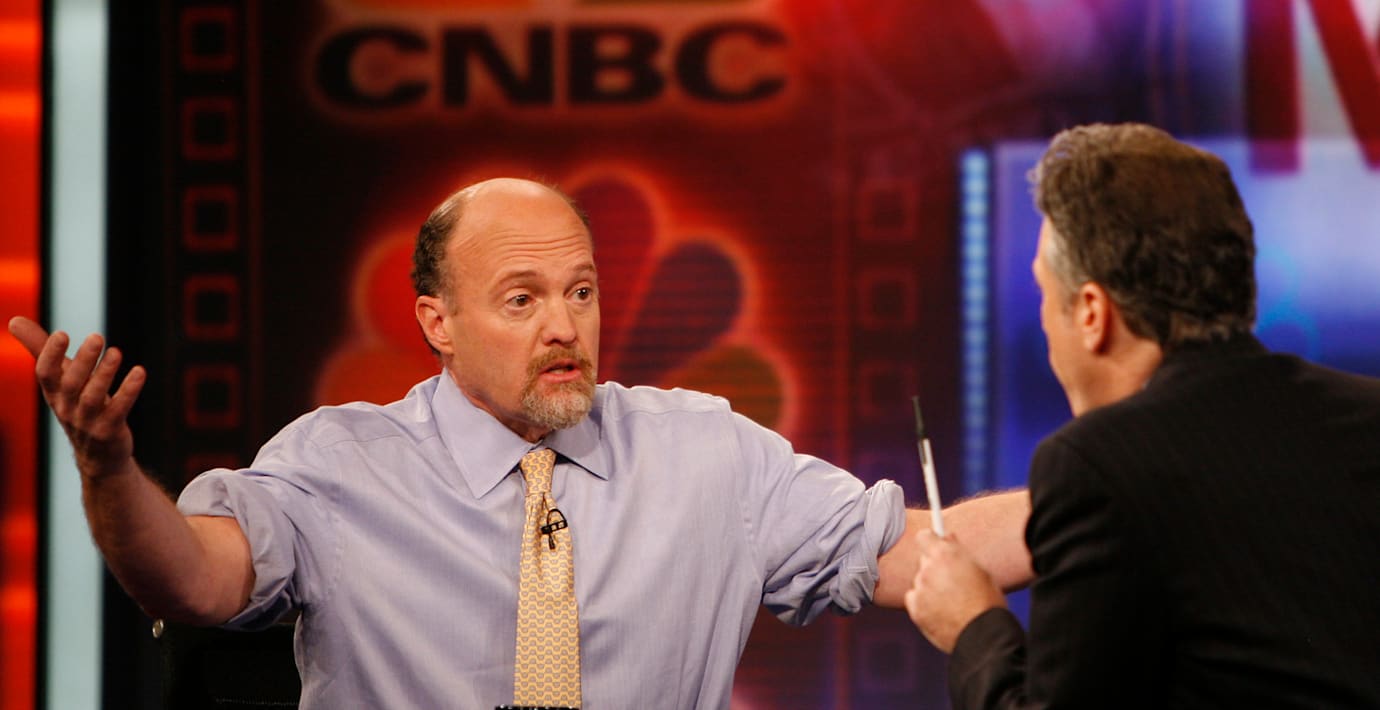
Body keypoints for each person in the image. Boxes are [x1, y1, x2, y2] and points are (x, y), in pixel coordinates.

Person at [12, 177, 1031, 709]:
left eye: (581, 291)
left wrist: (1102, 485)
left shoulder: (708, 455)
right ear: (437, 322)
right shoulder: (337, 464)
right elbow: (193, 580)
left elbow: (920, 550)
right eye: (522, 299)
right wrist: (107, 468)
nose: (563, 325)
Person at [903, 123, 1380, 708]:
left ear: (1091, 313)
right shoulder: (1368, 416)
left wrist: (973, 627)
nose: (1046, 324)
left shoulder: (1097, 467)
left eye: (1044, 294)